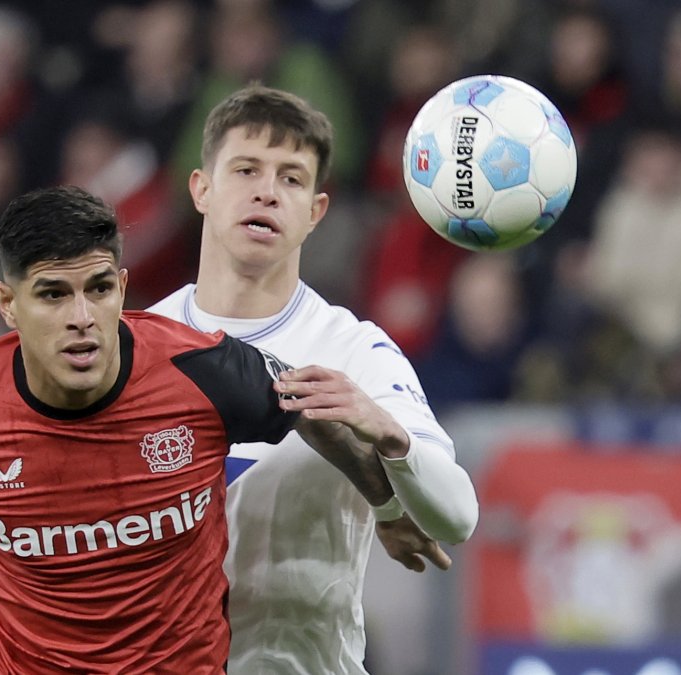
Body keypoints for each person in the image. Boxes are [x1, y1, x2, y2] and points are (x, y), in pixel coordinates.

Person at [0, 185, 414, 674]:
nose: (82, 317)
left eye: (98, 289)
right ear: (8, 305)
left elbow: (306, 409)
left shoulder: (205, 372)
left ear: (122, 288)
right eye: (53, 294)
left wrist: (386, 506)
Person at [148, 84, 480, 674]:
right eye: (246, 169)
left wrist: (391, 438)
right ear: (201, 188)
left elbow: (456, 518)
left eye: (292, 179)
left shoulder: (354, 350)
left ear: (315, 213)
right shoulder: (138, 344)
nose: (267, 192)